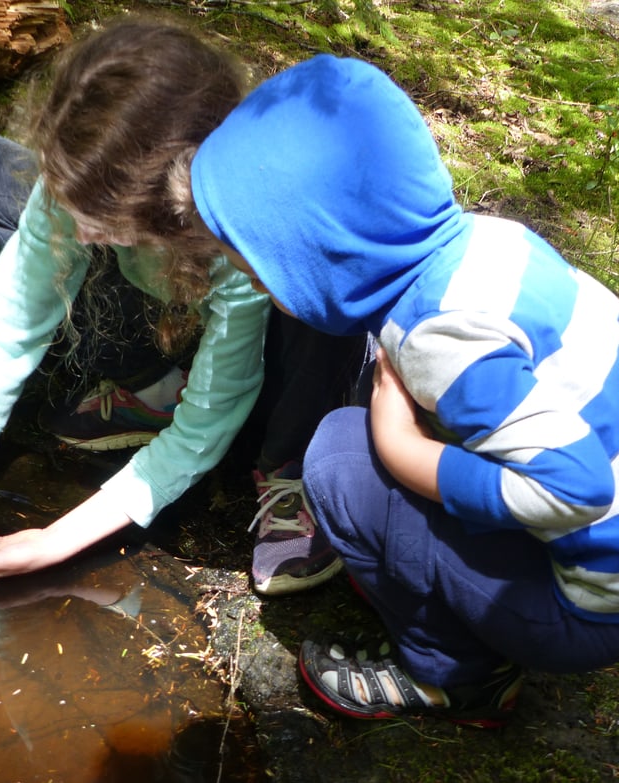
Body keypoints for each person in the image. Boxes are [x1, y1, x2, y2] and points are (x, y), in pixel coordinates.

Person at [185, 54, 619, 727]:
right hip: (598, 545)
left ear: (316, 256)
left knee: (338, 457)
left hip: (589, 609)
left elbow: (576, 487)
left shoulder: (440, 336)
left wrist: (400, 446)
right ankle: (446, 585)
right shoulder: (483, 245)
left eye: (259, 269)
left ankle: (456, 676)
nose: (255, 286)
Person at [0, 19, 364, 602]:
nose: (82, 229)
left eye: (100, 215)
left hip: (258, 346)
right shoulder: (83, 183)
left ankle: (290, 466)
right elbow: (10, 326)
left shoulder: (244, 229)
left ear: (174, 197)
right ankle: (151, 389)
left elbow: (208, 421)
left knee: (315, 283)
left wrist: (53, 541)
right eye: (72, 202)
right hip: (163, 304)